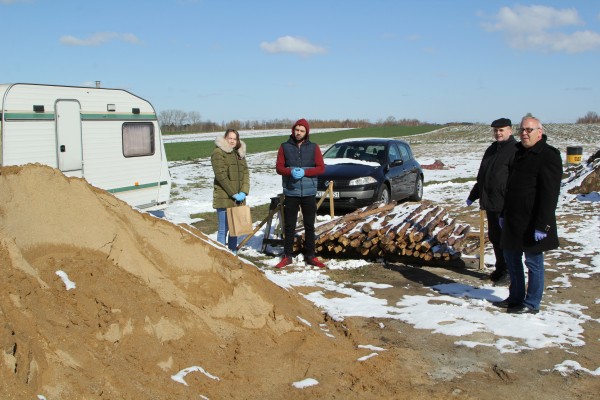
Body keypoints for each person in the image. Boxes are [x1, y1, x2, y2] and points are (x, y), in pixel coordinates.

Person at [493, 116, 562, 314]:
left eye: (529, 130)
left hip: (533, 221)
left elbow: (550, 194)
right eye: (522, 130)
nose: (524, 133)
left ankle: (532, 303)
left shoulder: (549, 155)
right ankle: (515, 297)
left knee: (533, 262)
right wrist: (504, 213)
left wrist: (543, 224)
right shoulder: (517, 153)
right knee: (512, 260)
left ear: (539, 132)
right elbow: (511, 187)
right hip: (513, 220)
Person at [466, 117, 517, 285]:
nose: (498, 133)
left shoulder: (515, 150)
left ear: (510, 130)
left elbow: (517, 180)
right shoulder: (492, 149)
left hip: (506, 204)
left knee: (506, 240)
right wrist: (473, 194)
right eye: (496, 130)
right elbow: (483, 176)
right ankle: (501, 268)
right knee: (495, 237)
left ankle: (510, 272)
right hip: (491, 202)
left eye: (501, 130)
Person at [275, 118, 326, 268]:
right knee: (289, 226)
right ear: (293, 130)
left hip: (309, 192)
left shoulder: (314, 147)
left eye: (302, 131)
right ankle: (287, 256)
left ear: (306, 132)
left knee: (310, 225)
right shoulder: (284, 147)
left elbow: (321, 167)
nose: (299, 133)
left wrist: (306, 172)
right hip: (291, 192)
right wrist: (291, 171)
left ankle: (311, 256)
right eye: (297, 130)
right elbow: (279, 167)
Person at [211, 129, 250, 254]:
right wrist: (233, 193)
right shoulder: (218, 153)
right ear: (225, 138)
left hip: (238, 198)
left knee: (235, 228)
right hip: (224, 196)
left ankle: (233, 253)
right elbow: (221, 175)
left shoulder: (239, 154)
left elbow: (245, 174)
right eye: (230, 138)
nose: (232, 141)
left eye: (235, 138)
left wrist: (244, 191)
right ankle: (221, 254)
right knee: (224, 228)